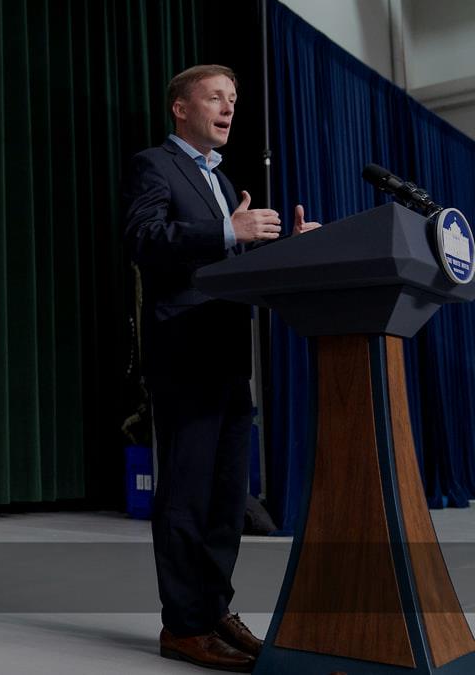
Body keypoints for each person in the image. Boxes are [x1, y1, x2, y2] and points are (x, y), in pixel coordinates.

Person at [123, 64, 320, 673]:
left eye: (233, 98)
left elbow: (229, 259)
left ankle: (214, 612)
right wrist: (227, 231)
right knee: (188, 495)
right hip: (183, 354)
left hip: (230, 357)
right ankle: (183, 626)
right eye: (215, 97)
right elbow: (144, 238)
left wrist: (285, 248)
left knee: (227, 498)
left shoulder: (223, 178)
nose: (229, 107)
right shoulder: (156, 165)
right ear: (181, 108)